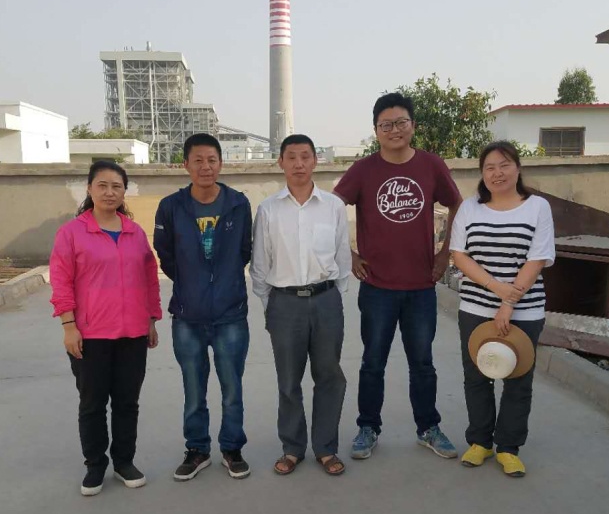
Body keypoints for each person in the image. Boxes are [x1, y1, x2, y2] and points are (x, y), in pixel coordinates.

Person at [333, 92, 463, 460]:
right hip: (377, 287)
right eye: (386, 124)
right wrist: (348, 253)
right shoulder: (363, 170)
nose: (394, 130)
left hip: (421, 286)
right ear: (376, 130)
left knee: (422, 363)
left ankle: (428, 428)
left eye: (401, 122)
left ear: (413, 126)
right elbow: (332, 207)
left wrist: (445, 252)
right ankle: (367, 428)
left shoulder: (431, 165)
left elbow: (456, 203)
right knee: (373, 362)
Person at [50, 160, 161, 497]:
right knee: (93, 403)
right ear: (89, 189)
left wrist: (151, 319)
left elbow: (149, 278)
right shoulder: (72, 233)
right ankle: (95, 465)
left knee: (127, 402)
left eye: (117, 186)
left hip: (132, 334)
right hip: (90, 335)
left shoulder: (134, 233)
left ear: (124, 191)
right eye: (103, 185)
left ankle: (124, 461)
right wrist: (69, 326)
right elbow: (61, 281)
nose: (110, 192)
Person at [449, 140, 555, 477]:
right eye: (490, 167)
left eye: (504, 165)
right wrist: (497, 290)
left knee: (518, 378)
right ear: (482, 173)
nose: (498, 173)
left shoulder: (537, 207)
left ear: (518, 168)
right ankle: (480, 442)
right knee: (477, 375)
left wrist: (509, 303)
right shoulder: (470, 209)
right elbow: (459, 255)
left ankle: (508, 447)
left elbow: (537, 258)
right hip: (476, 307)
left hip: (526, 311)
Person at [251, 134, 352, 476]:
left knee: (329, 376)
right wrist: (271, 305)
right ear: (280, 162)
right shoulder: (269, 209)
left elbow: (342, 256)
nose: (299, 164)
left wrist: (333, 297)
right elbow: (261, 263)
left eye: (305, 156)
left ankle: (326, 448)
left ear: (315, 161)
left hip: (326, 301)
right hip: (284, 304)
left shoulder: (333, 206)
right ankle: (292, 447)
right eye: (291, 157)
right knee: (288, 380)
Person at [154, 133, 253, 481]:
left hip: (230, 314)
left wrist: (222, 283)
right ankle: (197, 450)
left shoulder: (238, 203)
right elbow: (165, 253)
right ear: (185, 164)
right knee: (193, 390)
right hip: (187, 316)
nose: (205, 166)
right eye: (198, 160)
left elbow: (244, 251)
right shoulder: (171, 206)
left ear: (220, 163)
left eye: (212, 160)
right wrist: (192, 282)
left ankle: (232, 448)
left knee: (232, 389)